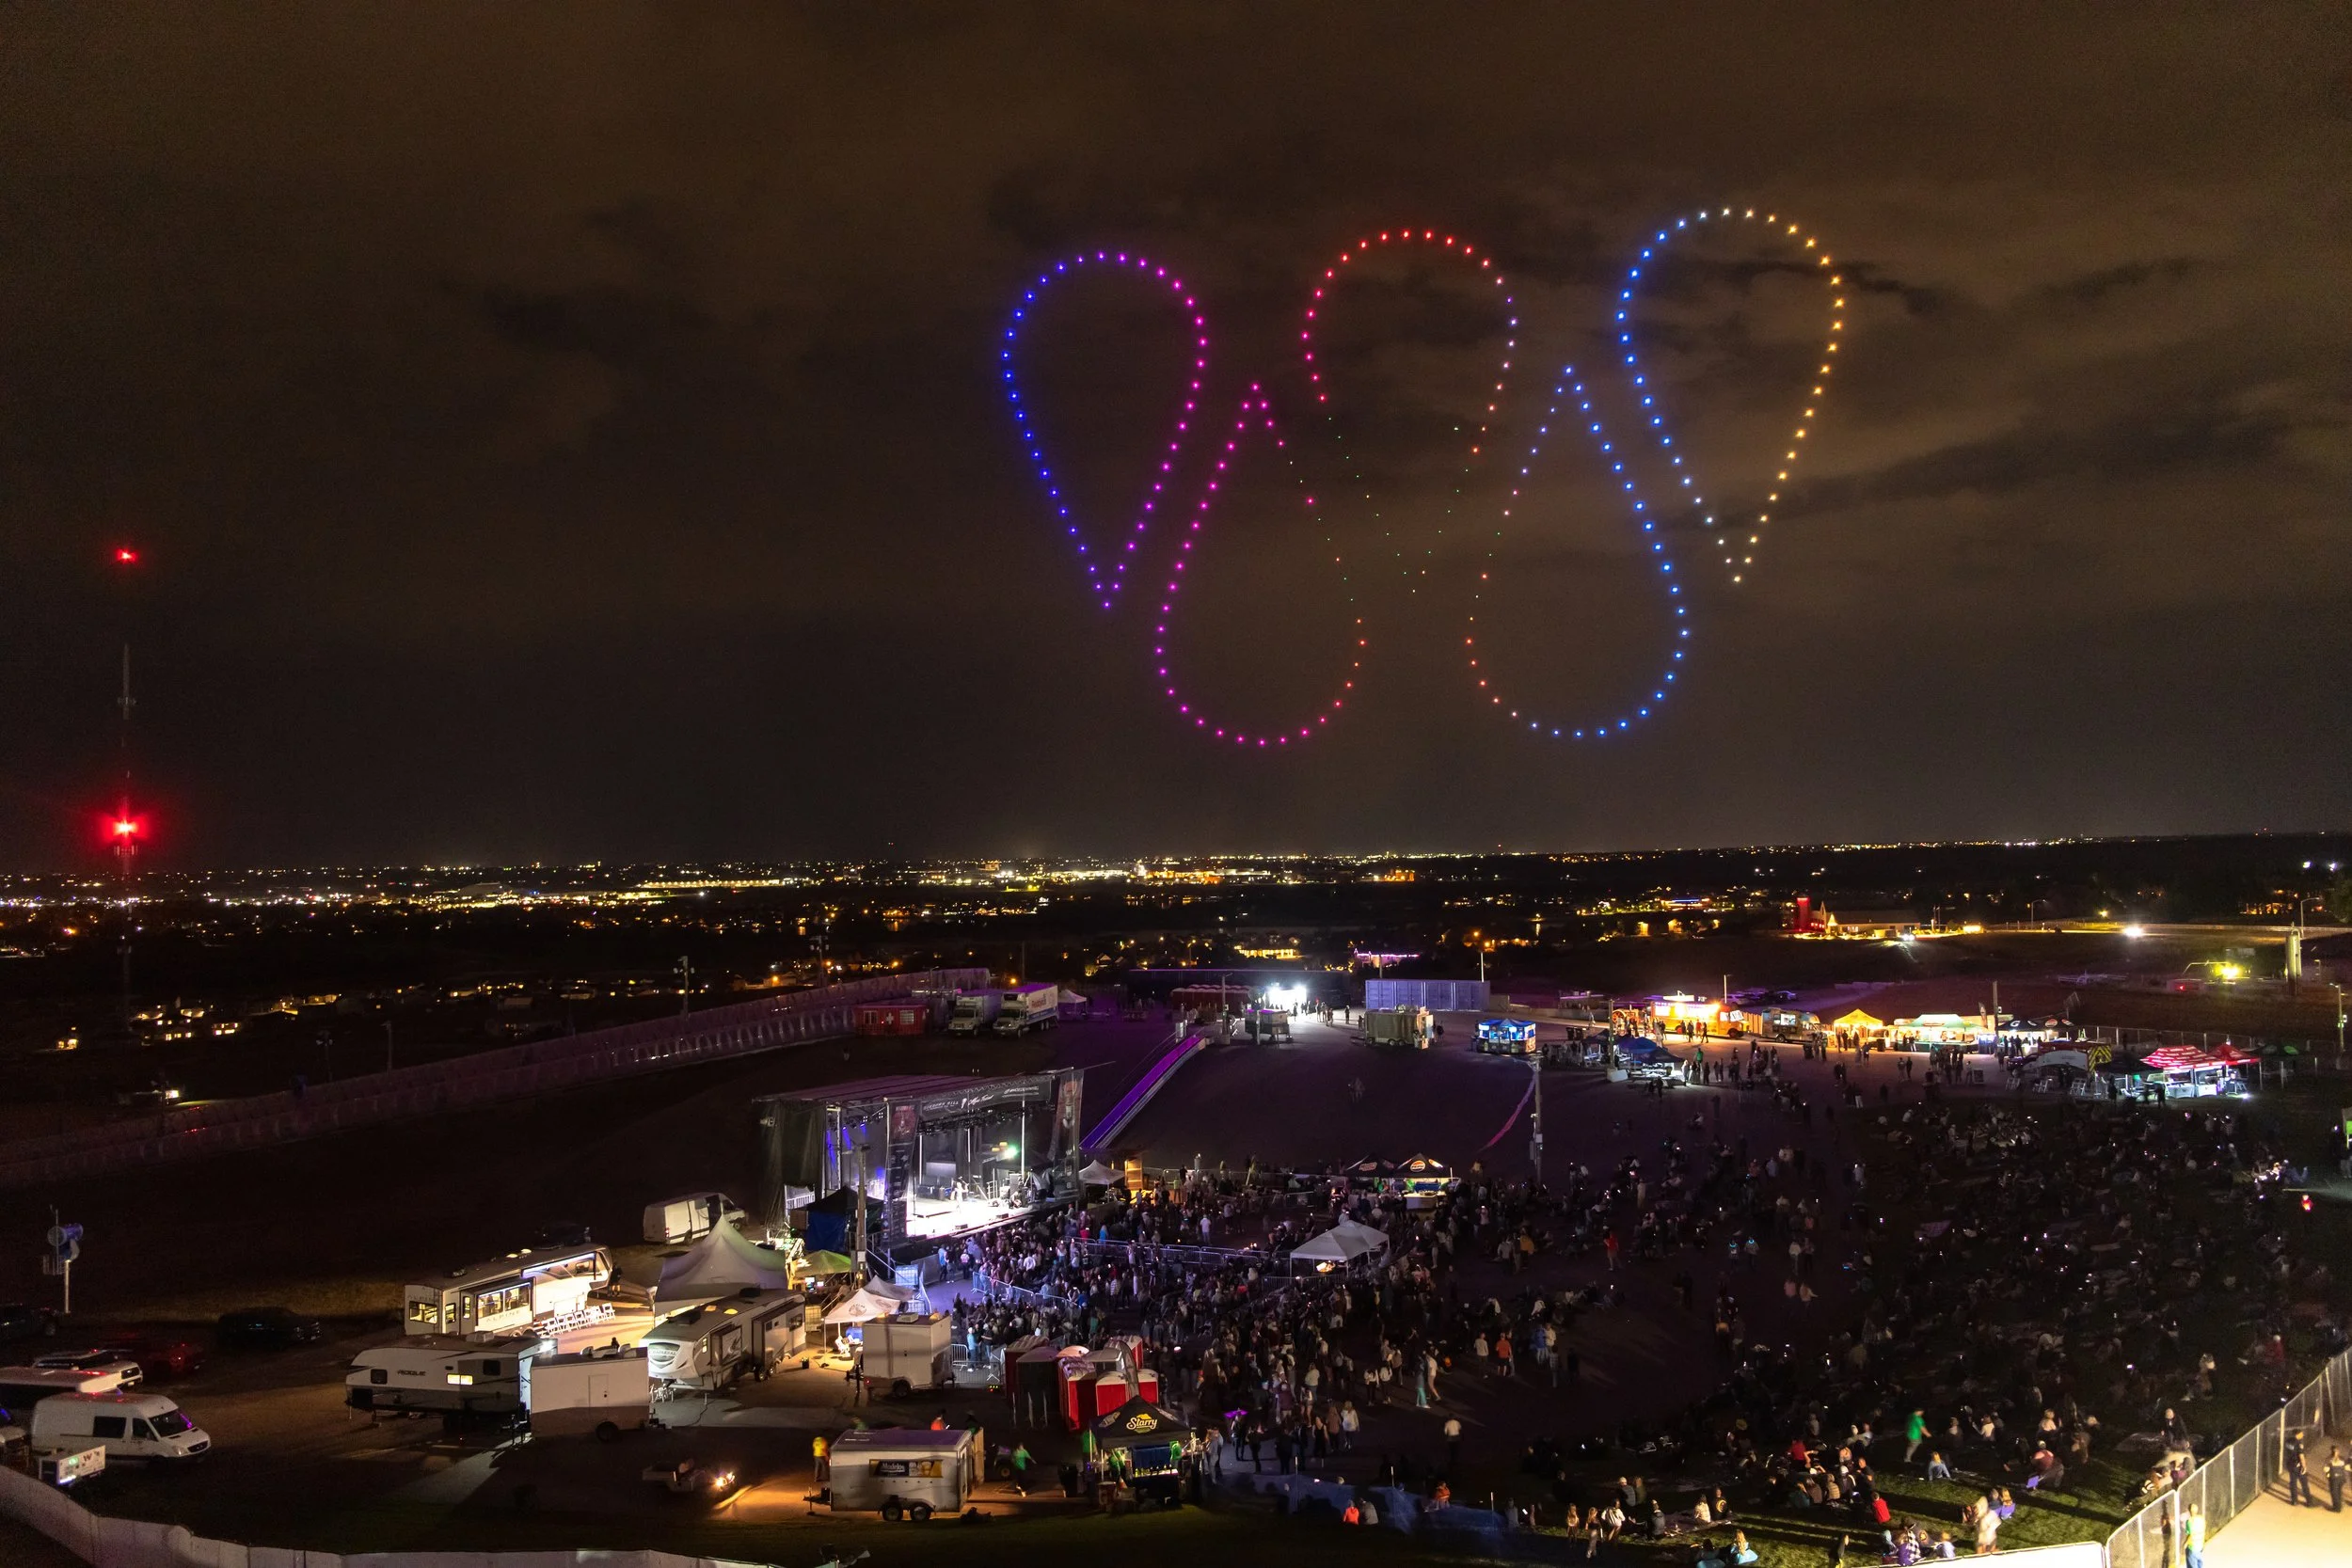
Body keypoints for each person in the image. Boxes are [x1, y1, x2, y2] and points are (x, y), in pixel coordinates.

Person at [2287, 1428, 2314, 1506]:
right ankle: (2309, 1502)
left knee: (2293, 1483)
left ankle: (2294, 1501)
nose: (2303, 1435)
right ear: (2297, 1434)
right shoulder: (2299, 1443)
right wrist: (2304, 1467)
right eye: (2301, 1433)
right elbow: (2301, 1456)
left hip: (2290, 1464)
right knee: (2304, 1484)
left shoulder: (2288, 1441)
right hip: (2298, 1466)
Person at [2182, 1501, 2205, 1568]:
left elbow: (2190, 1535)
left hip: (2192, 1548)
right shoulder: (2201, 1519)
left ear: (2189, 1511)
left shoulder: (2189, 1521)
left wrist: (2185, 1544)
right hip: (2200, 1545)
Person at [2328, 1446, 2348, 1512]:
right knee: (2339, 1492)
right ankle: (2339, 1506)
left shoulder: (2330, 1459)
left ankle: (2337, 1508)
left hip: (2334, 1478)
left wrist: (2328, 1476)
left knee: (2334, 1493)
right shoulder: (2342, 1459)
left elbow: (2326, 1469)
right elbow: (2346, 1468)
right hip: (2342, 1478)